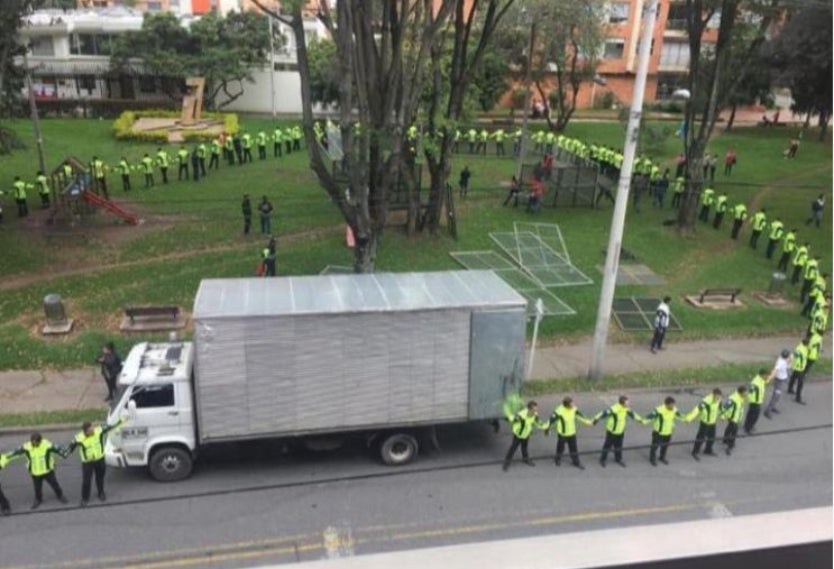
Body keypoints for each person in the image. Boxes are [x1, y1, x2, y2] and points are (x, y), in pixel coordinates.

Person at [63, 418, 124, 506]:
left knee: (100, 478)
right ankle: (85, 498)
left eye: (93, 428)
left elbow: (111, 426)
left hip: (100, 460)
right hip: (88, 463)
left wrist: (121, 420)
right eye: (91, 430)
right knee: (86, 481)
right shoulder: (79, 438)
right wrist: (64, 454)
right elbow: (70, 448)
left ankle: (101, 493)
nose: (93, 430)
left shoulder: (98, 431)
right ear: (85, 432)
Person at [7, 433, 68, 509]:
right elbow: (15, 452)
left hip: (47, 471)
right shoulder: (27, 446)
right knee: (37, 488)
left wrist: (65, 453)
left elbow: (58, 449)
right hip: (35, 473)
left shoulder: (47, 445)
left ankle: (60, 495)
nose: (33, 444)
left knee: (55, 484)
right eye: (32, 442)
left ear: (40, 441)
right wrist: (6, 457)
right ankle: (38, 499)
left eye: (35, 443)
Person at [593, 395, 643, 468]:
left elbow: (633, 415)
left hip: (620, 431)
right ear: (622, 403)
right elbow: (602, 414)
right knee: (607, 446)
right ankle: (602, 460)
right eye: (627, 403)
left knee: (619, 446)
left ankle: (618, 459)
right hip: (612, 432)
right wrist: (594, 421)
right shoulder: (614, 409)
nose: (629, 404)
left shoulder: (626, 408)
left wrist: (641, 420)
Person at [547, 396, 593, 470]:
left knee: (574, 448)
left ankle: (576, 462)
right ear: (566, 405)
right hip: (562, 434)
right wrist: (547, 429)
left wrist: (588, 422)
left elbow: (580, 417)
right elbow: (550, 420)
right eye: (571, 404)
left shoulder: (574, 409)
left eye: (573, 403)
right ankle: (558, 459)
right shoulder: (559, 411)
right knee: (560, 448)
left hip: (572, 433)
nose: (573, 405)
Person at [644, 396, 688, 466]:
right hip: (658, 433)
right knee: (654, 447)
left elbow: (680, 415)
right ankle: (652, 459)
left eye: (674, 405)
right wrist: (642, 421)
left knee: (665, 446)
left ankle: (662, 457)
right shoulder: (658, 410)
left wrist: (687, 418)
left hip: (668, 432)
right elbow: (648, 417)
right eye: (671, 405)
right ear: (666, 404)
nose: (673, 406)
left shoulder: (674, 409)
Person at [502, 401, 546, 471]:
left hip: (526, 434)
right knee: (513, 449)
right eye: (534, 410)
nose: (536, 412)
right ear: (529, 409)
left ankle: (526, 459)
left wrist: (545, 427)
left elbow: (538, 423)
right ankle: (506, 463)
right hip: (518, 435)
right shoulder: (521, 415)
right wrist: (507, 414)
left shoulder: (534, 415)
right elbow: (512, 419)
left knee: (524, 448)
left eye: (536, 410)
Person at [688, 388, 723, 460]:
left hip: (712, 422)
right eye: (717, 397)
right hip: (705, 423)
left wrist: (722, 416)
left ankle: (708, 450)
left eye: (719, 397)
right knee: (701, 438)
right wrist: (689, 418)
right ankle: (695, 451)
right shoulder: (705, 402)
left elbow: (720, 408)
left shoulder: (719, 400)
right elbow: (696, 410)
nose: (718, 398)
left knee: (712, 438)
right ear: (713, 395)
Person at [763, 349, 792, 419]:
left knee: (777, 396)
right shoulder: (780, 363)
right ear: (786, 356)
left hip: (782, 380)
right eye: (788, 356)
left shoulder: (783, 359)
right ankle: (768, 411)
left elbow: (790, 359)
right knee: (776, 396)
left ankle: (772, 407)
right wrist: (769, 379)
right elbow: (775, 371)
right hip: (779, 381)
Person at [721, 386, 748, 455]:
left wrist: (740, 417)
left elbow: (740, 408)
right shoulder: (733, 399)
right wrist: (723, 416)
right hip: (732, 418)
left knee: (729, 427)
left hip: (736, 417)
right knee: (734, 431)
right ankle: (730, 445)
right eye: (745, 392)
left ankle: (725, 439)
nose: (746, 394)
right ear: (740, 392)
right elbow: (725, 407)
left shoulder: (741, 397)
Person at [743, 368, 769, 435]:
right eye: (766, 375)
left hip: (758, 401)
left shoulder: (762, 380)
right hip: (754, 402)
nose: (767, 376)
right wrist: (747, 399)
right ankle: (748, 428)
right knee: (754, 416)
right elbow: (750, 392)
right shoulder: (755, 383)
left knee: (751, 414)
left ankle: (747, 425)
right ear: (762, 375)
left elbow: (766, 382)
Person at [787, 339, 809, 404]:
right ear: (806, 344)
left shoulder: (800, 347)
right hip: (799, 368)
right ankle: (798, 398)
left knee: (793, 377)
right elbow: (796, 358)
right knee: (800, 383)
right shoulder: (801, 350)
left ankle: (790, 389)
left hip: (797, 367)